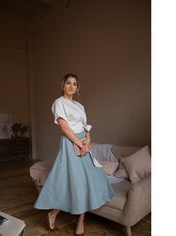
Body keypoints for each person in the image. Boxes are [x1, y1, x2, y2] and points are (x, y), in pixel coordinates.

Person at [34, 73, 115, 235]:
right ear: (63, 85)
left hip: (83, 143)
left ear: (77, 87)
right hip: (70, 143)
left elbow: (86, 126)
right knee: (73, 181)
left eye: (75, 84)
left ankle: (80, 221)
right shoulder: (59, 103)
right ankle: (52, 213)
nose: (72, 86)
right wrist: (79, 144)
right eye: (69, 83)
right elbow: (64, 128)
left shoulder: (79, 106)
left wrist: (87, 141)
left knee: (89, 180)